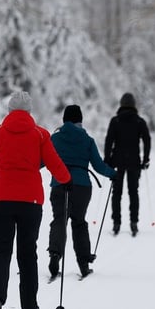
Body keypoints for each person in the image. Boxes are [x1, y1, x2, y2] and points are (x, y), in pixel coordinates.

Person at [0, 91, 71, 309]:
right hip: (30, 202)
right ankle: (30, 308)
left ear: (10, 110)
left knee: (1, 252)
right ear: (29, 111)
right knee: (27, 255)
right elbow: (56, 165)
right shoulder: (41, 135)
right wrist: (67, 181)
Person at [47, 105, 116, 279]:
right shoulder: (88, 140)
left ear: (64, 120)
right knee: (79, 222)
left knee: (59, 220)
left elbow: (42, 161)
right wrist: (113, 174)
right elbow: (99, 166)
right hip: (82, 187)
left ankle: (55, 255)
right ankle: (84, 263)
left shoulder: (54, 139)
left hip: (59, 184)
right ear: (80, 121)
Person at [103, 92, 151, 237]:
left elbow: (109, 140)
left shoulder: (115, 121)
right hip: (134, 162)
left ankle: (116, 223)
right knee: (133, 193)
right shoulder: (139, 121)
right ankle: (134, 223)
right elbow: (147, 140)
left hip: (117, 162)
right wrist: (145, 159)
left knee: (116, 193)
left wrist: (107, 159)